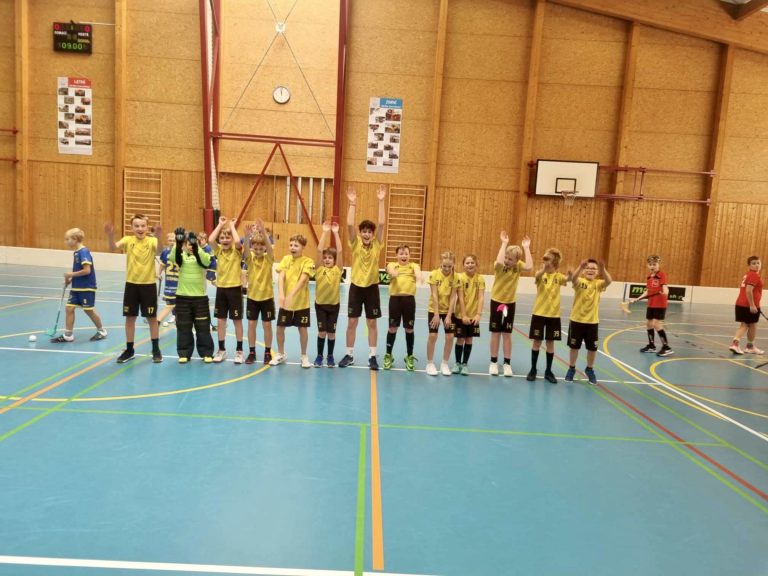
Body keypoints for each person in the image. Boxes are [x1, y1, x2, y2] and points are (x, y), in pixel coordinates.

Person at [339, 185, 387, 370]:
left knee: (372, 322)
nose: (366, 234)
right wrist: (352, 203)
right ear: (361, 233)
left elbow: (382, 224)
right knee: (352, 321)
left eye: (369, 231)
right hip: (356, 287)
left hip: (372, 287)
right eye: (364, 231)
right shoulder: (355, 243)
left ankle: (372, 356)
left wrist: (381, 201)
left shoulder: (377, 244)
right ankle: (349, 354)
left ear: (372, 234)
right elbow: (349, 225)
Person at [105, 215, 164, 363]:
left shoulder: (152, 241)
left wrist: (159, 236)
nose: (140, 228)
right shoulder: (127, 240)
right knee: (130, 318)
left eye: (143, 225)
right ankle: (129, 350)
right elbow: (113, 248)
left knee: (152, 319)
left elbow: (159, 251)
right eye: (136, 226)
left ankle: (156, 349)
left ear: (147, 227)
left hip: (148, 285)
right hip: (131, 285)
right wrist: (110, 235)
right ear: (132, 228)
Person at [50, 228, 108, 343]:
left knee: (88, 310)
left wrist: (70, 274)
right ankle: (68, 335)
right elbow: (79, 270)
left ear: (75, 239)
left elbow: (87, 270)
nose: (66, 242)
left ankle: (102, 331)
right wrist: (70, 279)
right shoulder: (76, 252)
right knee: (69, 308)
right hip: (76, 286)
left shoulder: (83, 252)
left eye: (67, 239)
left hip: (86, 286)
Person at [489, 232, 533, 376]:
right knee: (496, 332)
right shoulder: (499, 264)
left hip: (509, 303)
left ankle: (507, 363)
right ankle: (493, 362)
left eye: (510, 259)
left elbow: (529, 267)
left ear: (517, 260)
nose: (507, 260)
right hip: (497, 300)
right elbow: (499, 261)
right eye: (506, 257)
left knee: (507, 333)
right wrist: (504, 243)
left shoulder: (518, 266)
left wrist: (526, 248)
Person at [270, 234, 315, 368]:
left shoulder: (308, 261)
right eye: (291, 245)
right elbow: (281, 277)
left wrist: (291, 295)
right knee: (280, 327)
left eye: (296, 245)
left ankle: (304, 356)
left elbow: (303, 279)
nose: (292, 247)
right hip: (286, 304)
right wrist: (282, 295)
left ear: (303, 247)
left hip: (301, 303)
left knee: (302, 329)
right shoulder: (286, 259)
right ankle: (281, 353)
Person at [564, 259, 612, 385]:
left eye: (594, 268)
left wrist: (603, 269)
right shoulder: (580, 281)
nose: (590, 270)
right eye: (588, 268)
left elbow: (609, 281)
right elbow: (573, 278)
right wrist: (580, 267)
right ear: (584, 271)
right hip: (577, 320)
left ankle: (589, 369)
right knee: (574, 347)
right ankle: (571, 368)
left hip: (592, 322)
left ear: (597, 272)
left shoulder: (598, 284)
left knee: (592, 348)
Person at [170, 227, 214, 363]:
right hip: (183, 297)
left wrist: (196, 247)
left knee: (203, 327)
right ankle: (184, 353)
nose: (191, 246)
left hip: (200, 298)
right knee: (183, 327)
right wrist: (178, 243)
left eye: (193, 243)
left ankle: (206, 352)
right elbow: (173, 257)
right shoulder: (181, 256)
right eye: (188, 244)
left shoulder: (202, 256)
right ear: (185, 245)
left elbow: (206, 262)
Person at [527, 248, 570, 383]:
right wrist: (544, 267)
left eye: (548, 258)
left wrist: (571, 275)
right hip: (539, 313)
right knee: (537, 342)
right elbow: (537, 275)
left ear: (555, 262)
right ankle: (533, 369)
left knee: (550, 343)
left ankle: (548, 371)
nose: (544, 260)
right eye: (544, 258)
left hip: (553, 315)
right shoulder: (541, 274)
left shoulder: (558, 277)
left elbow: (568, 279)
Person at [209, 216, 245, 364]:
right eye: (222, 237)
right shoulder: (218, 251)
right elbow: (211, 239)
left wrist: (232, 227)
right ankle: (222, 350)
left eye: (227, 237)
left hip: (234, 289)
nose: (224, 239)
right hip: (221, 290)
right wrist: (220, 225)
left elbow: (237, 241)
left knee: (237, 320)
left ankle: (239, 351)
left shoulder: (237, 251)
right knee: (220, 320)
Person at [384, 244, 421, 371]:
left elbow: (418, 272)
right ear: (396, 255)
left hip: (409, 300)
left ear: (409, 255)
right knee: (392, 328)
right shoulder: (392, 264)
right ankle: (388, 355)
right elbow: (390, 270)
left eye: (406, 253)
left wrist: (419, 276)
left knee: (409, 329)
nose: (404, 256)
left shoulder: (413, 266)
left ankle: (409, 356)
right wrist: (393, 273)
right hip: (395, 300)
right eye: (401, 253)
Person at [243, 220, 275, 365]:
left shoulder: (268, 259)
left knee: (267, 325)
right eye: (255, 248)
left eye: (261, 248)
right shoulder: (250, 259)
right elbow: (245, 250)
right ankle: (252, 352)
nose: (257, 250)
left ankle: (267, 352)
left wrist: (263, 233)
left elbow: (269, 247)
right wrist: (246, 236)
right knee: (251, 324)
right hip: (252, 298)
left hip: (267, 297)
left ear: (265, 248)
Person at [630, 255, 673, 357]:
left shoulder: (661, 275)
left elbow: (665, 287)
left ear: (658, 264)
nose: (652, 266)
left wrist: (666, 292)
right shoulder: (649, 276)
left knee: (657, 324)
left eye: (654, 264)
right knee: (649, 323)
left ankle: (666, 347)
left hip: (660, 304)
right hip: (651, 303)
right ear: (647, 265)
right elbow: (648, 291)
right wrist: (637, 298)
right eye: (650, 264)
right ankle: (651, 346)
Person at [314, 221, 343, 368]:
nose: (326, 259)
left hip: (333, 306)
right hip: (320, 305)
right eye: (325, 257)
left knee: (331, 333)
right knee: (322, 332)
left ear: (334, 260)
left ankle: (330, 356)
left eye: (330, 258)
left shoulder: (338, 270)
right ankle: (319, 356)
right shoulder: (319, 269)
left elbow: (340, 251)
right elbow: (319, 251)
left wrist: (336, 233)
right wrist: (325, 232)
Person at [425, 251, 458, 376]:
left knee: (450, 337)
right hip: (434, 310)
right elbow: (434, 295)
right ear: (440, 263)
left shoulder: (456, 277)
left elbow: (453, 297)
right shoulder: (434, 274)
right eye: (444, 266)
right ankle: (430, 363)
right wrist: (436, 314)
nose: (447, 268)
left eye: (449, 266)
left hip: (448, 311)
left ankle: (444, 363)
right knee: (433, 335)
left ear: (453, 264)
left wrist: (449, 315)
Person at [453, 254, 485, 376]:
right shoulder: (460, 277)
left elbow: (481, 297)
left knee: (469, 339)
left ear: (476, 264)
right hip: (461, 315)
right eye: (467, 263)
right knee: (460, 339)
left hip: (473, 316)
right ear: (463, 265)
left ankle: (465, 364)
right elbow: (460, 298)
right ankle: (457, 363)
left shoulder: (480, 279)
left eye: (472, 262)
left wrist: (478, 314)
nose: (470, 265)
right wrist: (464, 315)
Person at [729, 256, 763, 355]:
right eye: (753, 263)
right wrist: (752, 305)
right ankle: (735, 344)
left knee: (752, 325)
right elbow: (748, 290)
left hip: (743, 303)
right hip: (748, 305)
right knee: (745, 325)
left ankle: (750, 346)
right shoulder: (754, 275)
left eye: (758, 263)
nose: (757, 265)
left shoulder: (748, 274)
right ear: (749, 265)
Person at [157, 232, 179, 327]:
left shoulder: (181, 252)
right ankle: (173, 317)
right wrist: (159, 273)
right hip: (169, 283)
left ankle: (176, 318)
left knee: (176, 304)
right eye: (170, 240)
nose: (172, 242)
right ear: (167, 241)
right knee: (171, 304)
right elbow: (162, 264)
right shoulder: (165, 252)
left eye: (174, 240)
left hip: (180, 283)